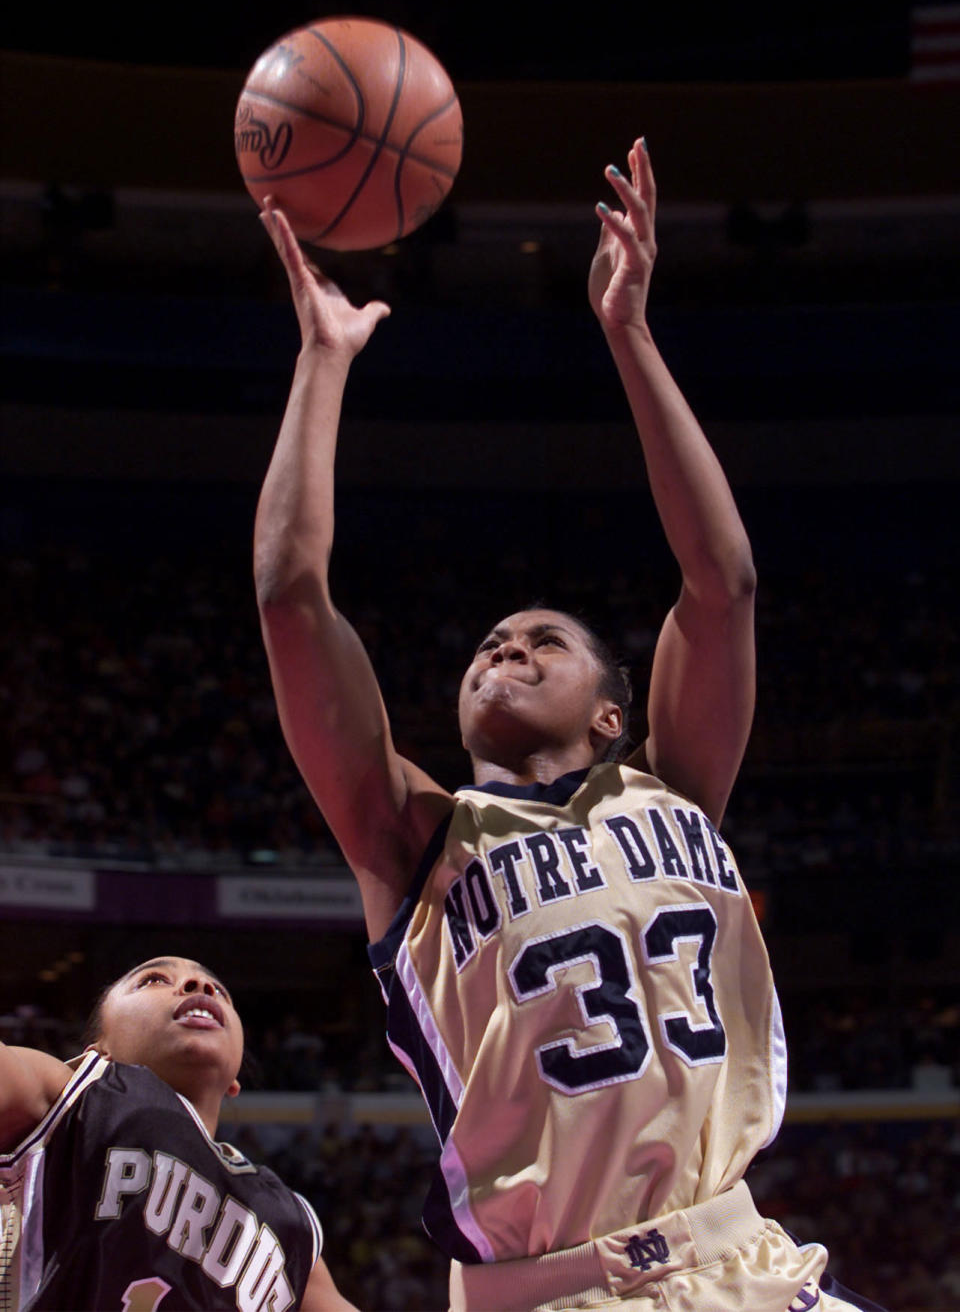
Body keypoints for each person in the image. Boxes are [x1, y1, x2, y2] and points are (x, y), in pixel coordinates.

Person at [254, 141, 884, 1311]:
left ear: (613, 709)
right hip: (552, 1290)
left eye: (541, 639)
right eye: (491, 643)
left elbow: (724, 584)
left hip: (747, 1263)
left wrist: (630, 334)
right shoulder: (415, 836)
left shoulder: (677, 783)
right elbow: (293, 600)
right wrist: (322, 365)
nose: (505, 649)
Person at [0, 955, 356, 1311]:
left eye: (219, 990)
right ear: (99, 1050)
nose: (200, 986)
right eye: (154, 980)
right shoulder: (73, 1093)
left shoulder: (291, 1221)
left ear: (235, 1081)